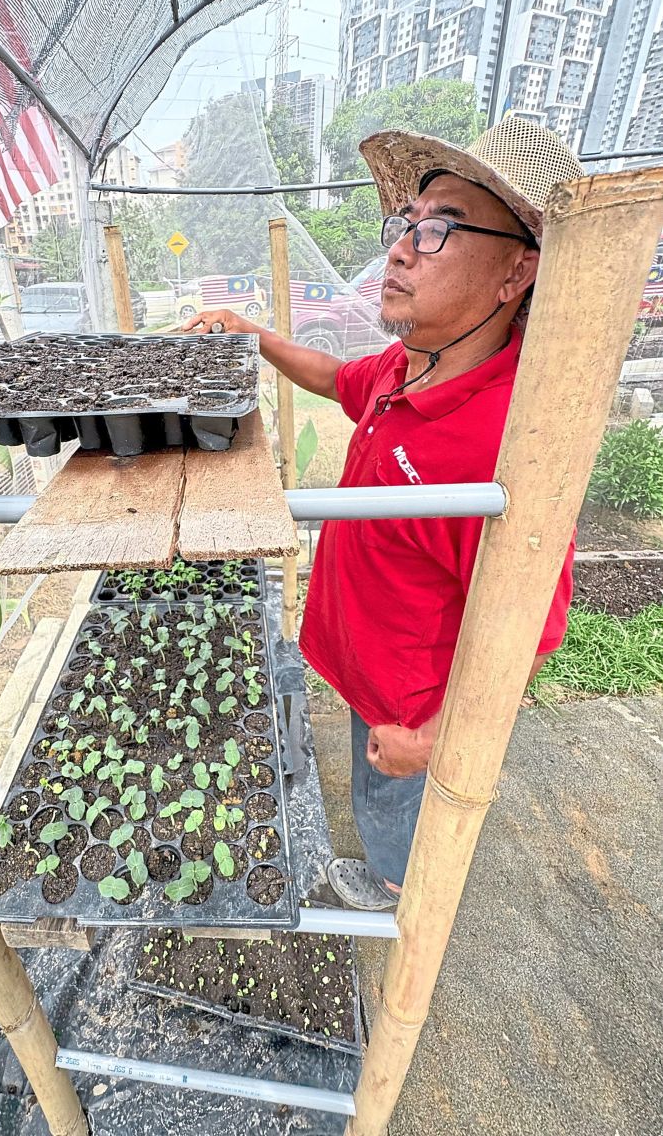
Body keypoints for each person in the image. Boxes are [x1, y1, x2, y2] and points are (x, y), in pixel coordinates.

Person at [182, 116, 581, 911]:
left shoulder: (499, 446)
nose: (399, 247)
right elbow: (336, 377)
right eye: (406, 222)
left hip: (411, 703)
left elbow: (532, 627)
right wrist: (255, 334)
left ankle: (398, 889)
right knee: (376, 786)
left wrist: (431, 737)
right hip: (371, 673)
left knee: (395, 801)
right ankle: (395, 859)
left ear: (516, 272)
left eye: (438, 229)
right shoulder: (409, 367)